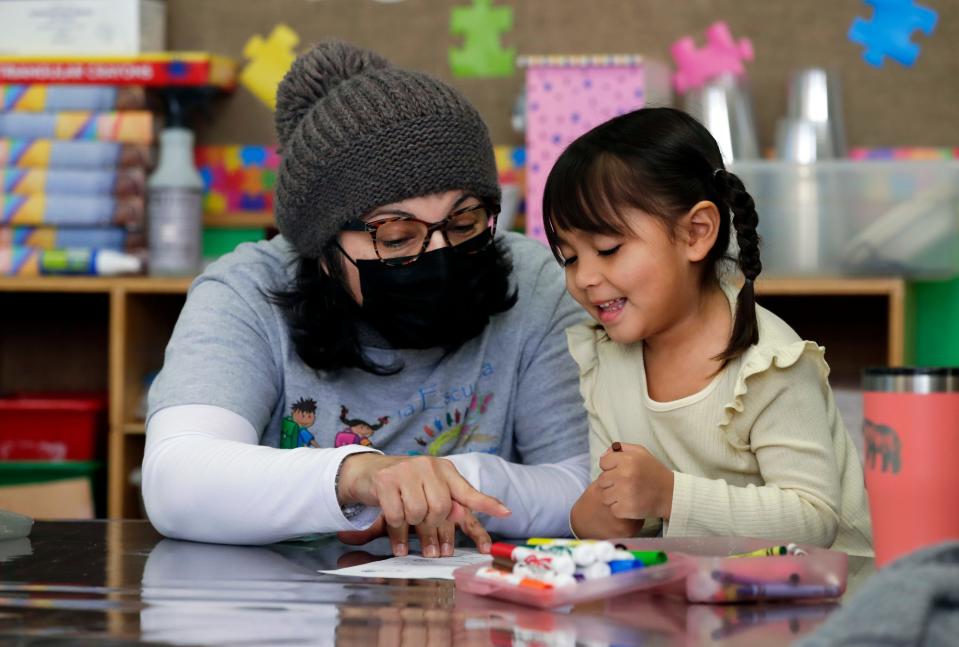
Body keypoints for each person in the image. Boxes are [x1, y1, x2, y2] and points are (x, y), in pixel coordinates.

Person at [142, 41, 589, 554]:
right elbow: (175, 481)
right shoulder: (247, 292)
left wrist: (449, 479)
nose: (440, 251)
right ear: (322, 248)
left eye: (464, 222)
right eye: (396, 236)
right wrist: (359, 476)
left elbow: (586, 489)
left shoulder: (535, 284)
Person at [543, 107, 872, 555]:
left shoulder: (769, 364)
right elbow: (625, 516)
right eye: (570, 257)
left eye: (607, 248)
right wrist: (595, 516)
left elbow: (814, 520)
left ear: (696, 233)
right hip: (701, 598)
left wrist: (670, 495)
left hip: (824, 606)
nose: (583, 278)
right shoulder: (605, 358)